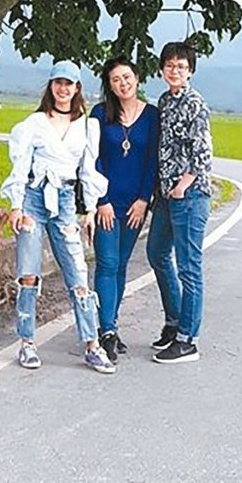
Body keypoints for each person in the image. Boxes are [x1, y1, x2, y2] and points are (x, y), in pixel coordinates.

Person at [0, 61, 116, 374]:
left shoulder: (87, 126)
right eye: (58, 83)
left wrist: (89, 209)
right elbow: (21, 165)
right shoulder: (35, 123)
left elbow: (88, 170)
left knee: (78, 275)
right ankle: (27, 342)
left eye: (69, 84)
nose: (63, 89)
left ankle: (92, 345)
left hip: (64, 201)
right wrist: (16, 205)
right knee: (28, 273)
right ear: (51, 86)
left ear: (77, 88)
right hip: (34, 198)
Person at [146, 40, 213, 363]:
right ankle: (174, 323)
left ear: (191, 72)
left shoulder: (195, 103)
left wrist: (182, 186)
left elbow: (203, 153)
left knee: (189, 267)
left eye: (182, 67)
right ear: (162, 69)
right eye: (170, 65)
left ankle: (188, 340)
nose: (175, 71)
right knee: (157, 252)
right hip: (166, 194)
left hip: (189, 195)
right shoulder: (165, 100)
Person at [89, 56, 159, 365]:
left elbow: (152, 161)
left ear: (137, 78)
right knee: (107, 262)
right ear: (109, 85)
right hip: (106, 203)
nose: (123, 83)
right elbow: (93, 158)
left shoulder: (152, 115)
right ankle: (106, 330)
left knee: (120, 265)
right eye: (116, 79)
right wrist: (101, 200)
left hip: (134, 205)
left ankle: (111, 325)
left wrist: (144, 199)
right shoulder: (100, 113)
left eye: (127, 77)